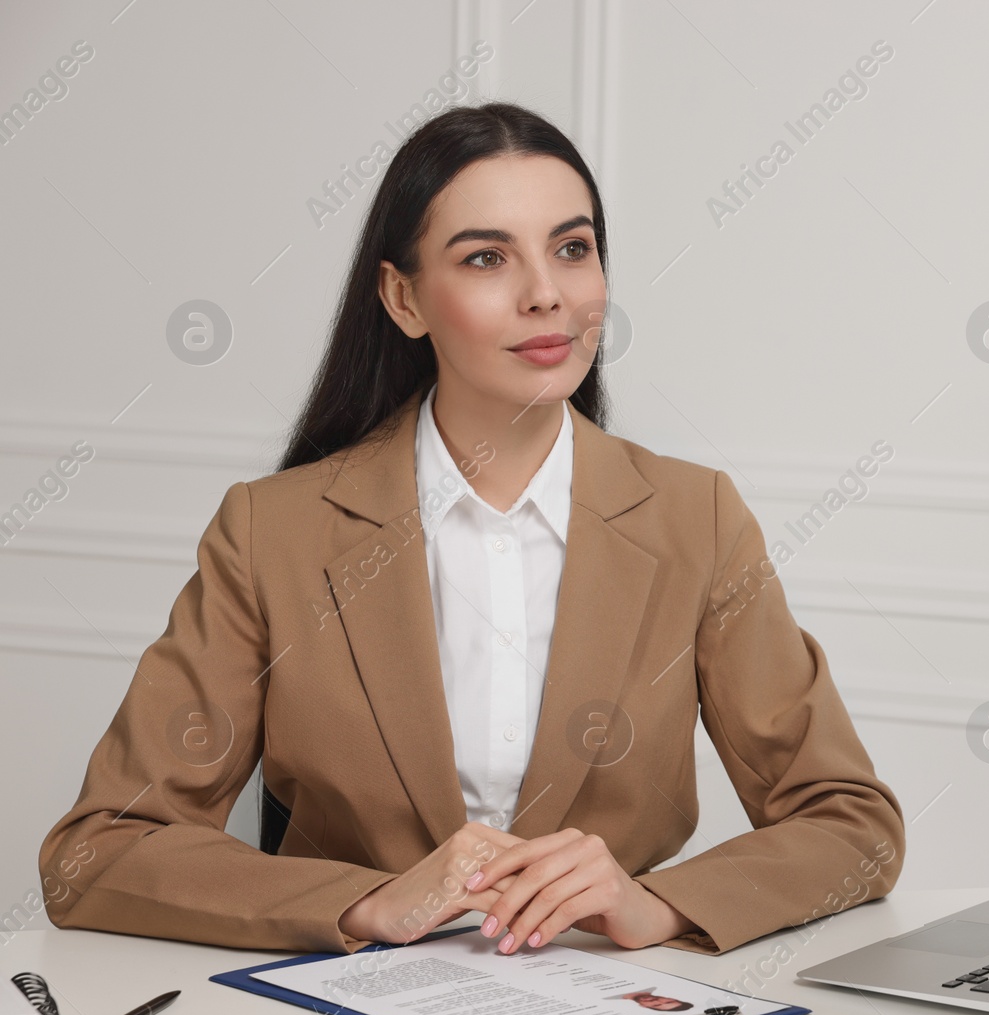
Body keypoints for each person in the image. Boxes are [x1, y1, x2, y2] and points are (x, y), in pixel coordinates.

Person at [38, 103, 905, 959]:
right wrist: (371, 900)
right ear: (404, 297)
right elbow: (95, 851)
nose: (547, 294)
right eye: (488, 257)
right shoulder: (272, 534)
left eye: (573, 248)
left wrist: (659, 904)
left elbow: (852, 824)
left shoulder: (697, 519)